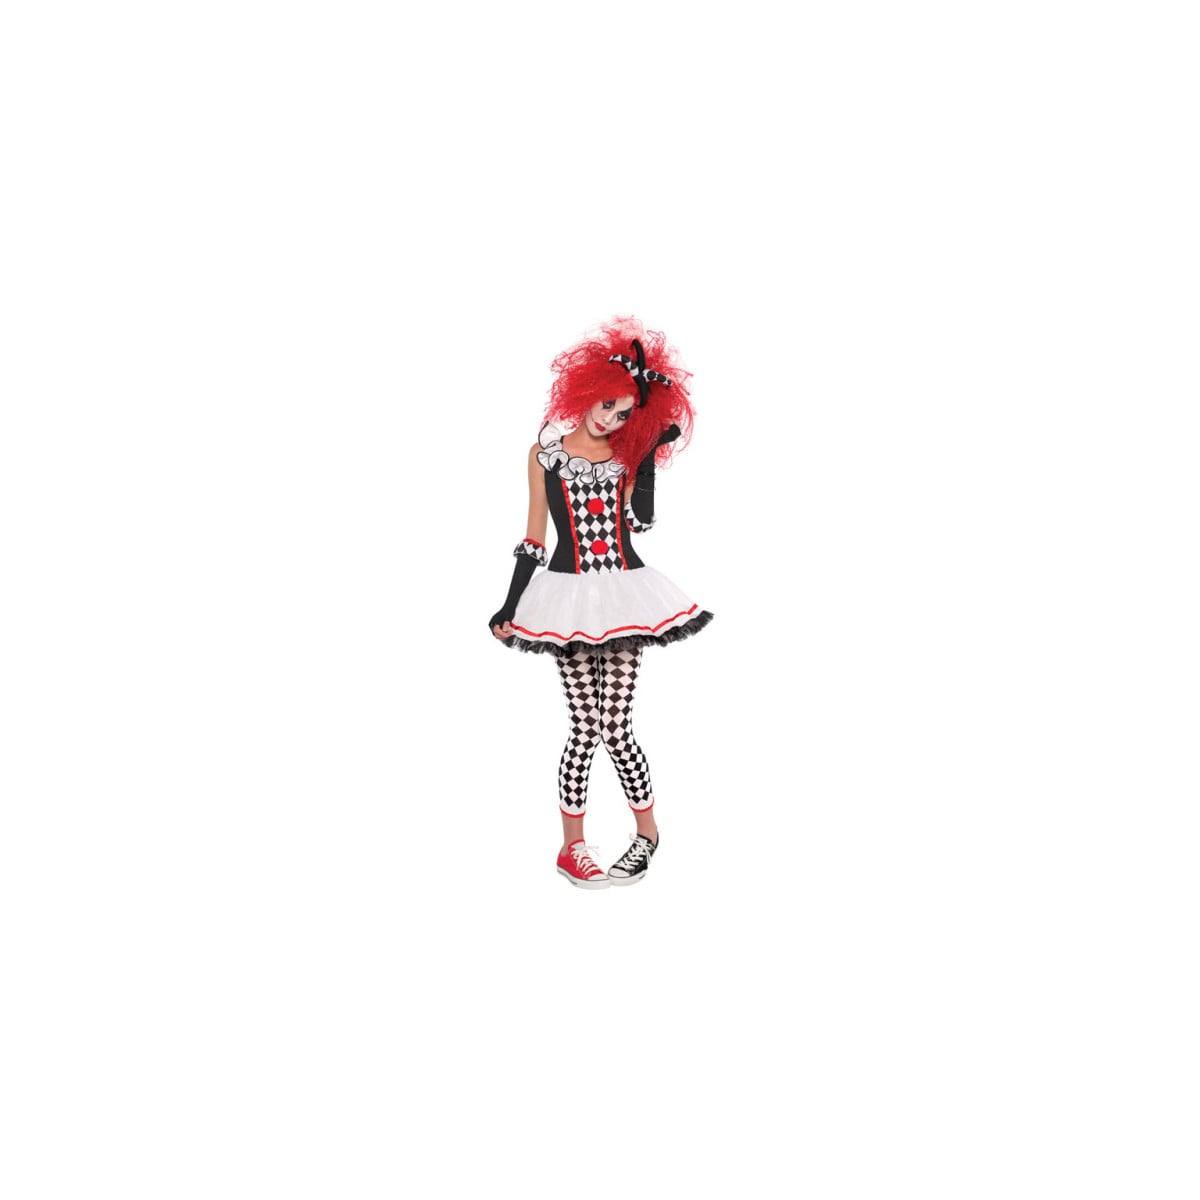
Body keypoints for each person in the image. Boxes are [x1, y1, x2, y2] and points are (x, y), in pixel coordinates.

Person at [489, 316, 712, 889]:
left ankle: (647, 835)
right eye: (607, 404)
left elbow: (641, 522)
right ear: (586, 390)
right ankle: (573, 848)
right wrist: (509, 605)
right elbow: (535, 537)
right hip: (566, 600)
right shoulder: (545, 457)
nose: (610, 418)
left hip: (622, 595)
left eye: (624, 413)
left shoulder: (624, 455)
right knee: (585, 726)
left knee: (613, 726)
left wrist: (646, 457)